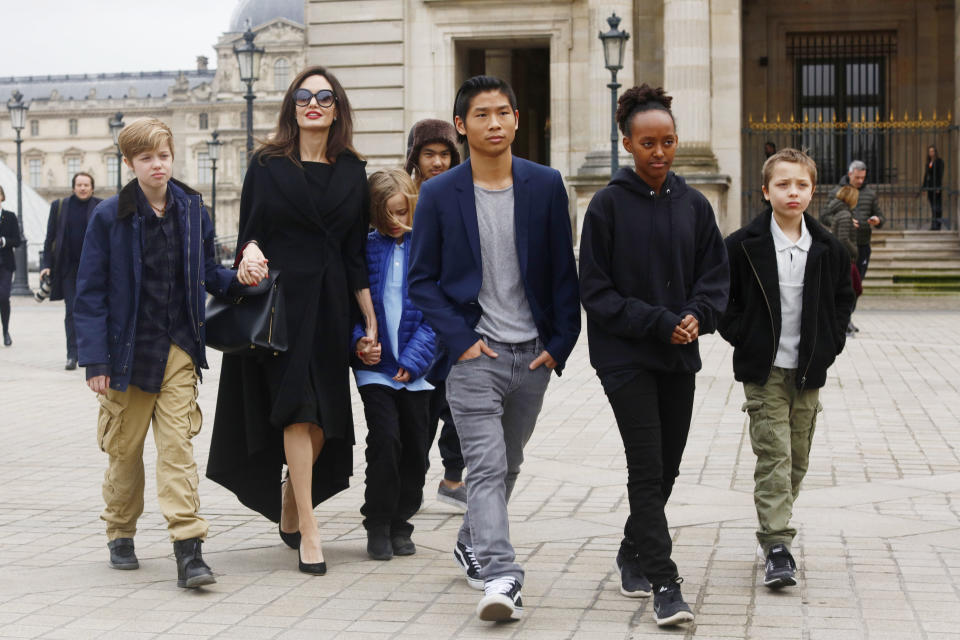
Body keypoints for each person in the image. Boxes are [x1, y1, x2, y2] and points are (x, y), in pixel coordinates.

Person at [408, 75, 580, 622]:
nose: (495, 123)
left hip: (531, 354)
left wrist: (560, 343)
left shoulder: (546, 184)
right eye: (482, 114)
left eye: (504, 112)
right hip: (474, 355)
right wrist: (460, 343)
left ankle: (470, 540)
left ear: (517, 119)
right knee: (484, 467)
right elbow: (423, 280)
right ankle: (502, 574)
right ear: (462, 126)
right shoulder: (438, 193)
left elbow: (561, 270)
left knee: (508, 464)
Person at [206, 66, 376, 576]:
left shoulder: (353, 170)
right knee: (298, 411)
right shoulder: (266, 163)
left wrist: (370, 322)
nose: (313, 103)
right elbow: (248, 234)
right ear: (292, 106)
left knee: (326, 417)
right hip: (280, 306)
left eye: (324, 97)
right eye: (304, 96)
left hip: (329, 305)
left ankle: (289, 500)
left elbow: (354, 256)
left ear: (337, 107)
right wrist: (250, 253)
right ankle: (310, 527)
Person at [578, 84, 729, 627]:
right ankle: (666, 583)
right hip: (624, 358)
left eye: (667, 141)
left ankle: (631, 549)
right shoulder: (606, 206)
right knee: (646, 465)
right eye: (647, 143)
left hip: (678, 356)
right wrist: (661, 321)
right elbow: (595, 292)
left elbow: (716, 280)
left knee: (667, 466)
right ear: (627, 144)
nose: (659, 152)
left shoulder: (695, 206)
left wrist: (698, 315)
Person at [74, 118, 238, 588]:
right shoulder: (109, 215)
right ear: (130, 164)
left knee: (177, 450)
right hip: (126, 354)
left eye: (163, 155)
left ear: (172, 156)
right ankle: (120, 531)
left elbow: (208, 271)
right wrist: (96, 362)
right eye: (146, 158)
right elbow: (90, 293)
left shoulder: (192, 209)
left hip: (179, 348)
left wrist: (244, 276)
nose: (157, 164)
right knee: (124, 453)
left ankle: (189, 549)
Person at [719, 148, 854, 590]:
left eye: (801, 185)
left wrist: (830, 345)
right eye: (783, 184)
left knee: (796, 460)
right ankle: (777, 544)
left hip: (807, 370)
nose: (792, 192)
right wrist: (746, 335)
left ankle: (775, 524)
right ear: (765, 191)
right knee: (774, 456)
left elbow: (842, 300)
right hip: (764, 371)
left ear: (813, 191)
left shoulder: (829, 248)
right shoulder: (741, 246)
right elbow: (725, 300)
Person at [352, 168, 436, 560]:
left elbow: (440, 311)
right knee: (385, 441)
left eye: (403, 212)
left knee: (416, 448)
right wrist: (358, 343)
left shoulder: (427, 247)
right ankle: (378, 522)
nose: (396, 223)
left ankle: (403, 522)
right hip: (375, 369)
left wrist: (417, 358)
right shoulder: (363, 248)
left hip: (417, 371)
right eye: (387, 216)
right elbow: (349, 306)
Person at [405, 118, 467, 509]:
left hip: (454, 317)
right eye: (429, 154)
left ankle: (452, 477)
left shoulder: (460, 194)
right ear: (416, 157)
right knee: (422, 412)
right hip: (415, 321)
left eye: (445, 154)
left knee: (461, 405)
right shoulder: (404, 197)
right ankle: (410, 485)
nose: (438, 162)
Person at [41, 172, 102, 369]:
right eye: (79, 185)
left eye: (86, 185)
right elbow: (50, 238)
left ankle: (91, 352)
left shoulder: (101, 206)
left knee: (94, 311)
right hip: (68, 268)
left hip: (95, 270)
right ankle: (72, 354)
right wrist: (46, 265)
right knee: (72, 312)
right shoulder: (60, 207)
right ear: (73, 187)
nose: (83, 188)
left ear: (92, 188)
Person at [820, 160, 884, 280]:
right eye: (857, 177)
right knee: (844, 283)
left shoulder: (870, 194)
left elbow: (881, 216)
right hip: (843, 244)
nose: (860, 181)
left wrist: (878, 220)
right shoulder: (837, 192)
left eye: (863, 178)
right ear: (849, 174)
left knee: (858, 282)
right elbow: (824, 216)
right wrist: (842, 221)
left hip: (862, 244)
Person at [832, 186, 863, 332]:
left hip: (842, 259)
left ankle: (846, 319)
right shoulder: (845, 215)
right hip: (846, 259)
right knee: (854, 289)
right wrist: (855, 251)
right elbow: (843, 238)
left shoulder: (841, 213)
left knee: (853, 289)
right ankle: (845, 319)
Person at [0, 186, 21, 346]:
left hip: (5, 263)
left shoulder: (10, 216)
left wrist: (4, 241)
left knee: (4, 297)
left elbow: (17, 240)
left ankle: (5, 330)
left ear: (2, 196)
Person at [922, 145, 945, 230]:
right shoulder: (928, 163)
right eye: (930, 151)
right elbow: (926, 175)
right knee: (933, 207)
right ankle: (933, 225)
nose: (931, 153)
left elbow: (940, 175)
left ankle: (937, 225)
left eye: (932, 151)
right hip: (930, 188)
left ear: (935, 152)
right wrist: (924, 187)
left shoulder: (939, 162)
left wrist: (938, 187)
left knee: (937, 207)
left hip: (936, 187)